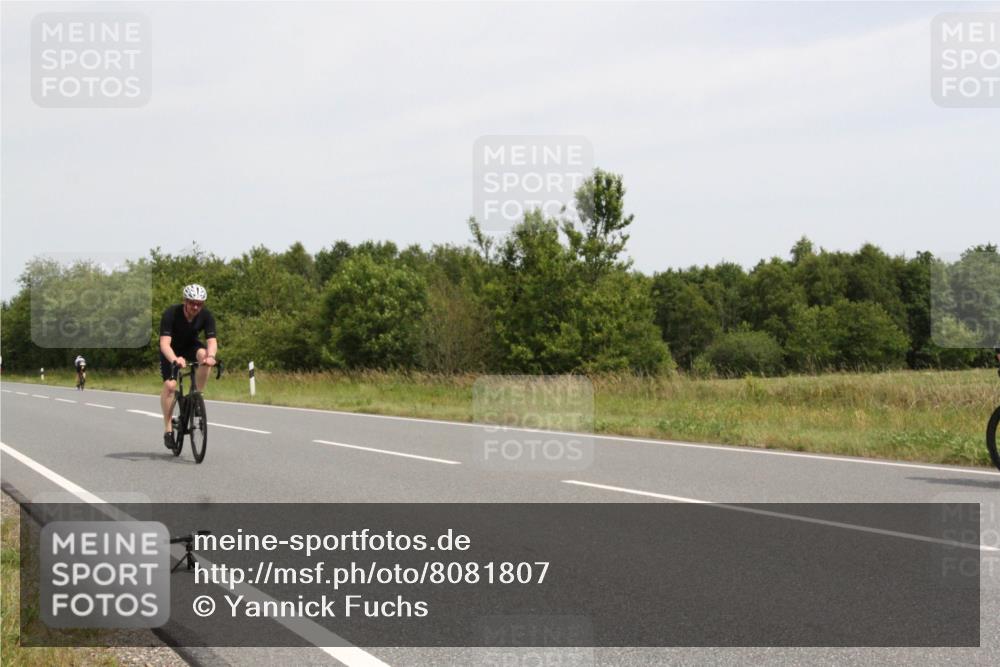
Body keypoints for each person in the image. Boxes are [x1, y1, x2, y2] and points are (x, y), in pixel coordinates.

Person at [159, 284, 218, 449]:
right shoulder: (171, 314)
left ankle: (196, 397)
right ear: (185, 301)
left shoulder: (206, 316)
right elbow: (164, 344)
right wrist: (175, 359)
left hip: (191, 346)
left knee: (204, 357)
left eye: (199, 303)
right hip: (171, 350)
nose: (195, 307)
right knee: (170, 385)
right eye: (192, 303)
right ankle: (168, 429)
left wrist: (211, 356)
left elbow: (211, 342)